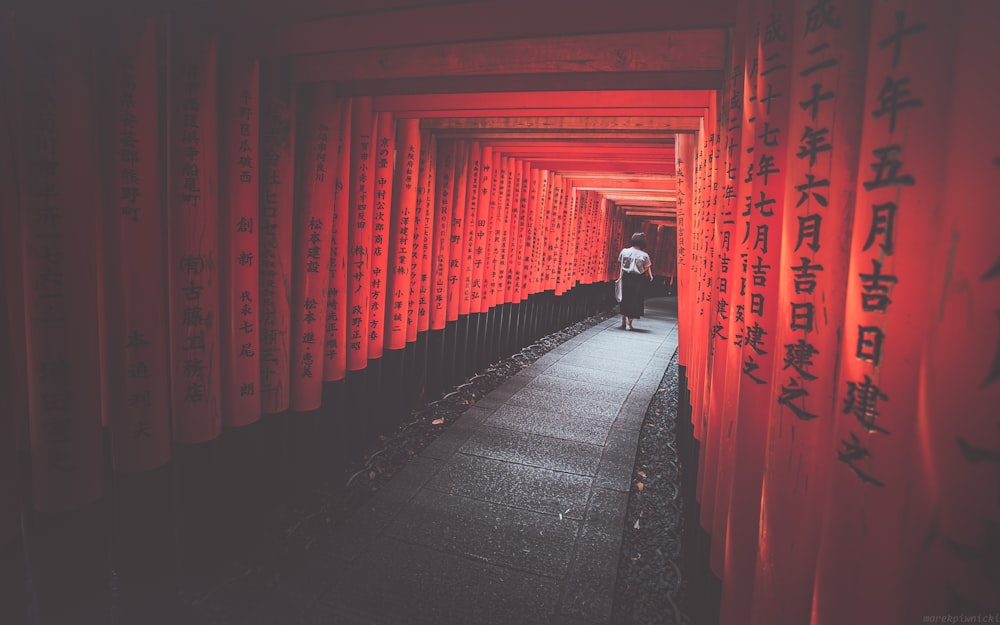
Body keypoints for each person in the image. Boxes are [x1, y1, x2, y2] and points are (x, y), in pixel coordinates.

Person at [617, 232, 654, 330]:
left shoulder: (624, 251)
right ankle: (629, 323)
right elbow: (646, 267)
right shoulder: (644, 255)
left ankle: (623, 319)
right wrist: (647, 274)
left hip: (626, 277)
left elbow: (620, 262)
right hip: (637, 279)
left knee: (624, 297)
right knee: (635, 299)